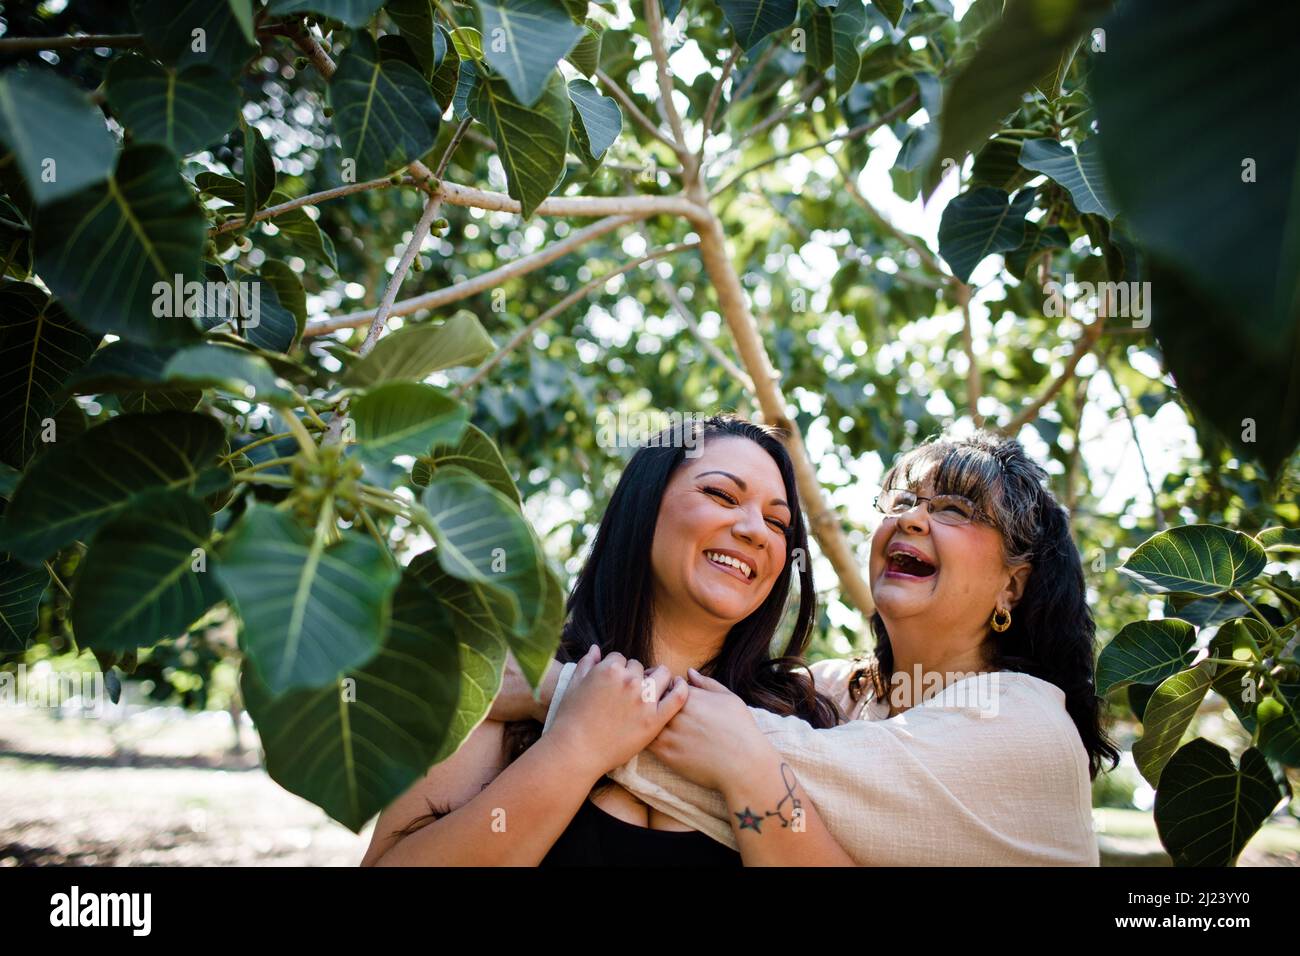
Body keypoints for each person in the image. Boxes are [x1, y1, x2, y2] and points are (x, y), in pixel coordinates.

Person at [521, 430, 1120, 865]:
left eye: (953, 510)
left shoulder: (1025, 721)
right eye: (903, 504)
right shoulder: (837, 694)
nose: (911, 520)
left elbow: (775, 755)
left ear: (1012, 585)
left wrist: (543, 688)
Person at [360, 415, 840, 866]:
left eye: (778, 522)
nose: (756, 530)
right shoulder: (508, 677)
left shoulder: (801, 720)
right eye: (721, 494)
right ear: (644, 504)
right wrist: (576, 747)